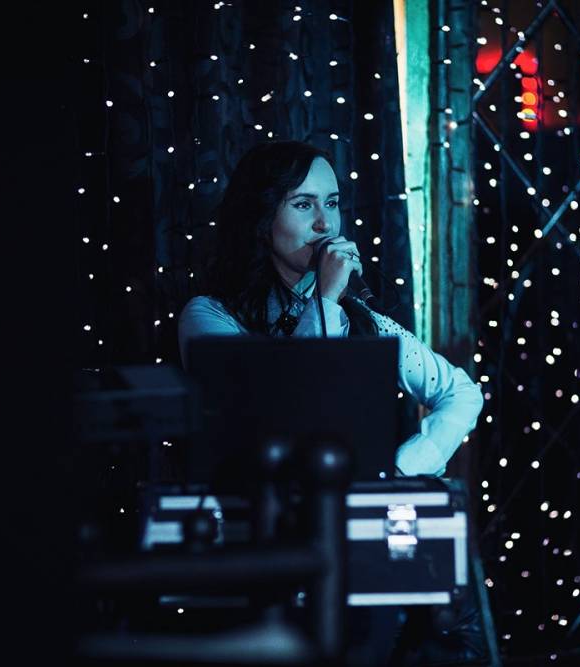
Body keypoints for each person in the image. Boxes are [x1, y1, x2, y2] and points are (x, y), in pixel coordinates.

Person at [178, 140, 483, 477]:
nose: (325, 223)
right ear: (261, 218)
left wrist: (400, 469)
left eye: (332, 203)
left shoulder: (359, 318)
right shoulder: (210, 316)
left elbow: (461, 393)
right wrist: (325, 296)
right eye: (303, 204)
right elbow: (282, 412)